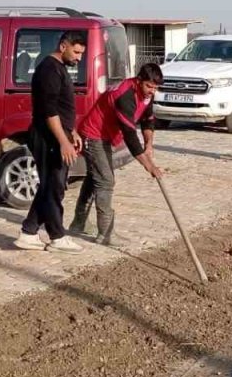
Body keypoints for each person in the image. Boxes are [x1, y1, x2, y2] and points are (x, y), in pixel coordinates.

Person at [69, 63, 165, 246]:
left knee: (95, 177)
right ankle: (105, 233)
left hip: (107, 137)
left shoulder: (146, 95)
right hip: (93, 135)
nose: (152, 91)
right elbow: (130, 137)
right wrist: (149, 166)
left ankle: (78, 223)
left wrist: (149, 145)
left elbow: (147, 120)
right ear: (138, 81)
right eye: (149, 86)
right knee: (105, 180)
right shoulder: (124, 96)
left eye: (155, 88)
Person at [15, 31, 87, 254]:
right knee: (53, 186)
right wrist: (63, 141)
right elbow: (49, 111)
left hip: (59, 135)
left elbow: (63, 108)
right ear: (63, 46)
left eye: (82, 54)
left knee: (51, 186)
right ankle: (57, 236)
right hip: (47, 138)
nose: (79, 58)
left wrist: (72, 131)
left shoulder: (61, 69)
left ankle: (28, 232)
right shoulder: (48, 69)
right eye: (76, 52)